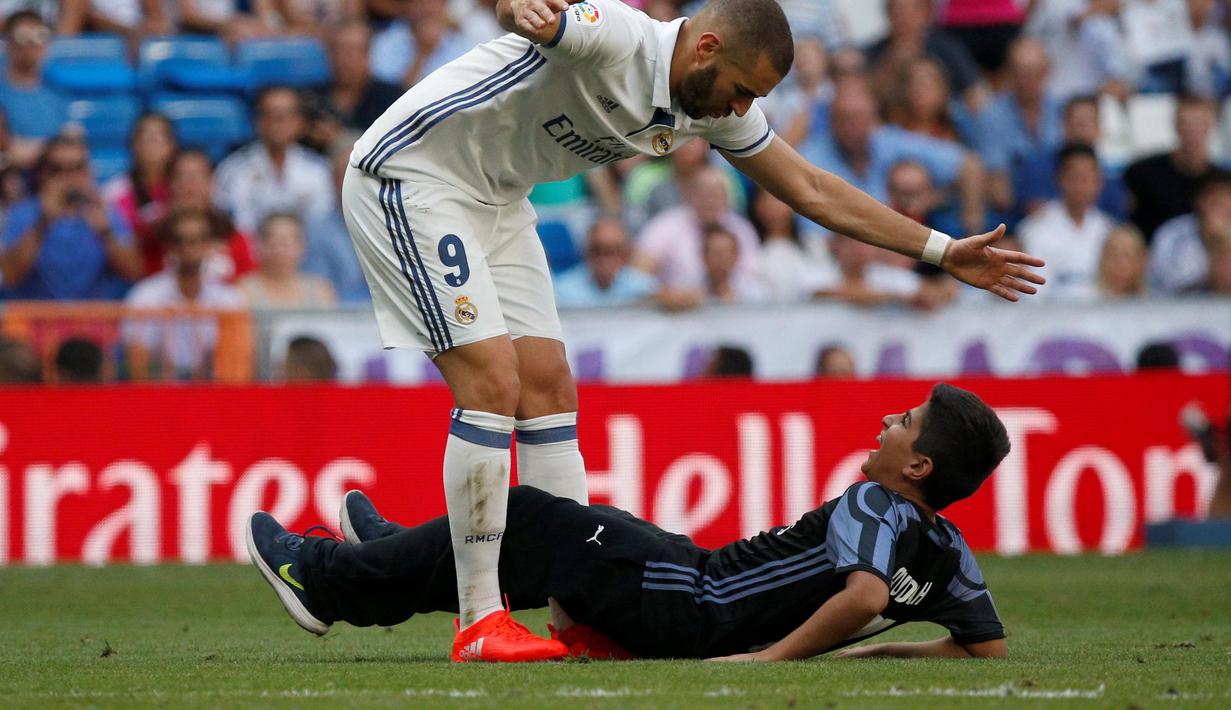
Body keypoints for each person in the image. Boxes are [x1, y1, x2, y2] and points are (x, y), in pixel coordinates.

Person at [339, 0, 1044, 663]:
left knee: (550, 389)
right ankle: (478, 619)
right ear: (705, 47)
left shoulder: (705, 102)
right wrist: (518, 8)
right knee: (493, 381)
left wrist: (941, 251)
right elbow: (539, 16)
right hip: (413, 174)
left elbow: (812, 190)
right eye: (740, 90)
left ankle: (574, 617)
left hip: (495, 197)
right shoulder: (619, 35)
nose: (742, 110)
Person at [247, 383, 1011, 662]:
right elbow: (984, 645)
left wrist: (772, 661)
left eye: (904, 423)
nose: (886, 421)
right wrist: (855, 658)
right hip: (698, 589)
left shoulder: (874, 503)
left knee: (532, 514)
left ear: (918, 469)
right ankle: (394, 554)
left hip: (690, 600)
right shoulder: (945, 548)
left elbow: (865, 598)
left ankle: (323, 582)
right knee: (568, 525)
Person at [0, 135, 144, 299]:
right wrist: (43, 222)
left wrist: (106, 234)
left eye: (77, 167)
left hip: (91, 321)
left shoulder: (104, 213)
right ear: (42, 173)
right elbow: (9, 275)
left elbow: (134, 273)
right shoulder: (22, 214)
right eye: (57, 169)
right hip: (36, 321)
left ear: (88, 171)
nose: (68, 177)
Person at [123, 208, 245, 380]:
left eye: (197, 240)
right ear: (169, 246)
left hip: (213, 397)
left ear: (209, 244)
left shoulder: (229, 300)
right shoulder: (145, 297)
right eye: (180, 240)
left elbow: (235, 369)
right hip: (160, 398)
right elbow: (139, 368)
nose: (188, 248)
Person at [213, 86, 335, 235]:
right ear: (258, 121)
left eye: (285, 115)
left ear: (300, 122)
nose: (278, 122)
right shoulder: (233, 170)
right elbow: (238, 228)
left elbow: (322, 226)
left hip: (309, 254)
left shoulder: (319, 170)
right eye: (270, 114)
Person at [1017, 143, 1114, 302]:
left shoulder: (1109, 230)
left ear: (1099, 182)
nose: (1082, 185)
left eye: (1088, 178)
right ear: (1059, 179)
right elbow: (1034, 294)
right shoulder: (1034, 229)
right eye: (1075, 177)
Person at [1123, 94, 1222, 244]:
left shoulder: (1221, 183)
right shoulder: (1142, 173)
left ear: (1211, 126)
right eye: (1186, 124)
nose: (1192, 131)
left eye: (1199, 124)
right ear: (1175, 125)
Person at [0, 11, 67, 168]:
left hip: (50, 175)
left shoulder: (56, 91)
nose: (31, 44)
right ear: (8, 42)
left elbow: (67, 143)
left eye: (40, 35)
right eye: (23, 36)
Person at [1148, 170, 1231, 294]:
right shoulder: (1171, 234)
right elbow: (1162, 283)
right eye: (1213, 195)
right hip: (1178, 307)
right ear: (1199, 201)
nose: (1219, 201)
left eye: (1226, 195)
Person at [102, 113, 177, 251]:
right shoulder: (114, 191)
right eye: (145, 137)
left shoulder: (182, 188)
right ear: (134, 144)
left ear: (172, 145)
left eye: (159, 137)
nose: (152, 143)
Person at [553, 215, 658, 307]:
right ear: (586, 252)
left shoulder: (644, 288)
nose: (605, 259)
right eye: (597, 250)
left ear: (626, 255)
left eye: (613, 251)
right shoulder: (560, 292)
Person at [238, 213, 337, 309]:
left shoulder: (320, 291)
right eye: (274, 241)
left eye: (289, 241)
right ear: (260, 245)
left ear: (303, 246)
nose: (282, 249)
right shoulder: (244, 291)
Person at [1096, 225, 1148, 299]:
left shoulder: (1157, 304)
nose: (1120, 264)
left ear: (1141, 262)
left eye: (1127, 256)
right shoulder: (1084, 304)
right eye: (1114, 255)